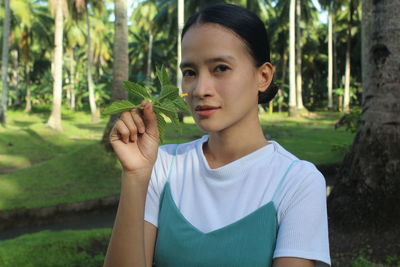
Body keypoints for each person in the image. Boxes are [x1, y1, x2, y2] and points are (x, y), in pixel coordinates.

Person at [104, 3, 330, 267]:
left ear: (263, 76)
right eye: (189, 73)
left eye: (220, 68)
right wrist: (135, 176)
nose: (200, 89)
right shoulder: (161, 165)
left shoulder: (298, 182)